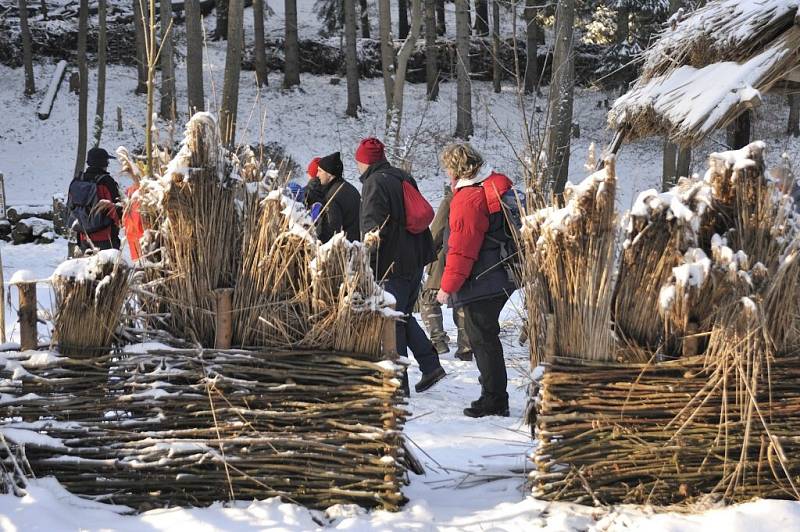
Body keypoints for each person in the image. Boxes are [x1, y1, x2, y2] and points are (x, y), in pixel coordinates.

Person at [356, 137, 445, 393]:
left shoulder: (374, 183)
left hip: (391, 263)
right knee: (402, 316)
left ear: (365, 161)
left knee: (392, 321)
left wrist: (367, 264)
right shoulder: (403, 177)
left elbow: (373, 228)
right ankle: (430, 366)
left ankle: (399, 385)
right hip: (415, 260)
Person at [437, 143, 516, 418]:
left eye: (448, 167)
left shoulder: (468, 198)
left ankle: (494, 399)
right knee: (485, 336)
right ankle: (493, 394)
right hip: (498, 273)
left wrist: (446, 287)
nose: (447, 173)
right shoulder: (492, 185)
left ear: (457, 168)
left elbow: (461, 248)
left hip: (482, 278)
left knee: (482, 338)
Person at [420, 182, 473, 359]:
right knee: (463, 302)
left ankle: (438, 341)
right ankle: (465, 348)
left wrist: (428, 253)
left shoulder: (452, 199)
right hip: (472, 258)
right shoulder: (479, 196)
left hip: (446, 258)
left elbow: (436, 230)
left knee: (429, 298)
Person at [67, 147, 123, 253]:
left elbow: (70, 207)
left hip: (83, 237)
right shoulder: (106, 182)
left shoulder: (77, 180)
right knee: (107, 268)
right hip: (106, 237)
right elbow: (115, 208)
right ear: (104, 163)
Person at [315, 152, 361, 243]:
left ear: (329, 173)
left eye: (320, 171)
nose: (317, 175)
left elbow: (331, 231)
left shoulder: (333, 196)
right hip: (355, 246)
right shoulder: (351, 189)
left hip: (342, 249)